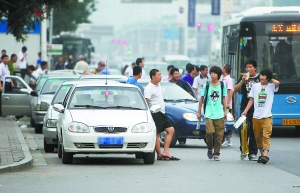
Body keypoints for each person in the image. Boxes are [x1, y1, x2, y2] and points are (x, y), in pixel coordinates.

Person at [242, 69, 280, 164]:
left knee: (266, 136)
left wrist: (270, 79)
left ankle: (265, 155)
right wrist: (245, 111)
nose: (261, 77)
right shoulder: (255, 86)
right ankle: (262, 155)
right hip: (256, 117)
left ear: (268, 77)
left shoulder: (271, 87)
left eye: (264, 75)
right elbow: (251, 100)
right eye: (261, 75)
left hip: (267, 117)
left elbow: (278, 83)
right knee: (258, 138)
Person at [144, 69, 180, 161]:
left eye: (160, 75)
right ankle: (159, 154)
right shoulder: (149, 88)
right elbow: (146, 101)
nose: (160, 76)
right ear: (153, 76)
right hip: (155, 113)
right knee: (157, 134)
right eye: (159, 75)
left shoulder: (159, 85)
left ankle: (166, 152)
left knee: (171, 130)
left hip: (162, 112)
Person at [196, 66, 227, 161]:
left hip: (219, 113)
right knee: (209, 132)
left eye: (214, 73)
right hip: (209, 113)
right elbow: (201, 98)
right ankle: (210, 148)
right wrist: (199, 111)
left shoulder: (222, 85)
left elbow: (223, 99)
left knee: (219, 135)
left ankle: (216, 153)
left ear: (218, 75)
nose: (212, 75)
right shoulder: (207, 85)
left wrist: (226, 111)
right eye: (211, 73)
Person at [233, 59, 260, 161]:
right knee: (243, 129)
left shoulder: (259, 78)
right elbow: (234, 89)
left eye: (250, 67)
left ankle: (253, 152)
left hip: (257, 108)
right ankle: (243, 149)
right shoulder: (244, 78)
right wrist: (242, 81)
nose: (248, 69)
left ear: (255, 68)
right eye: (247, 67)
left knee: (254, 130)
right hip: (244, 107)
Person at [221, 64, 234, 146]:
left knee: (227, 121)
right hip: (223, 104)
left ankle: (228, 139)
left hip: (227, 104)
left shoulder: (228, 79)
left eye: (222, 67)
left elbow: (231, 91)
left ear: (225, 70)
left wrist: (228, 103)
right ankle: (226, 138)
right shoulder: (223, 79)